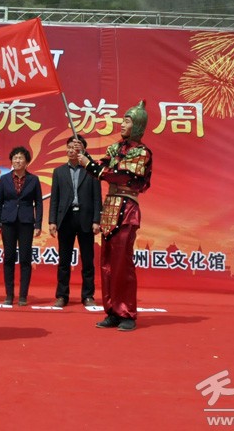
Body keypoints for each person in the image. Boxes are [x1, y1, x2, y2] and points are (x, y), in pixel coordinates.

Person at [83, 100, 153, 332]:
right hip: (110, 207)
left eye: (127, 120)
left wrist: (92, 168)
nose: (122, 124)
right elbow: (101, 167)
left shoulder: (142, 152)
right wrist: (85, 159)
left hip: (127, 208)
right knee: (107, 264)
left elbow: (121, 176)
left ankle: (127, 313)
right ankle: (112, 311)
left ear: (138, 125)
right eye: (123, 119)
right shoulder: (115, 148)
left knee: (123, 263)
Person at [48, 136, 102, 307]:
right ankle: (62, 296)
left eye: (75, 147)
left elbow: (97, 198)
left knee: (87, 260)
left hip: (86, 218)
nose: (71, 150)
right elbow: (54, 199)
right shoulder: (59, 172)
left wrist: (97, 220)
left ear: (82, 150)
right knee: (64, 261)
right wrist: (52, 221)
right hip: (66, 218)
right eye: (69, 147)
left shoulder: (90, 171)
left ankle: (88, 295)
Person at [0, 146, 44, 306]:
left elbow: (39, 203)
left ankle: (23, 295)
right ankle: (9, 294)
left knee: (25, 259)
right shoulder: (5, 179)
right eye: (15, 158)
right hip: (8, 222)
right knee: (8, 258)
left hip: (26, 222)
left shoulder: (33, 180)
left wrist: (38, 224)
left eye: (20, 158)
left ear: (26, 162)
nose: (17, 161)